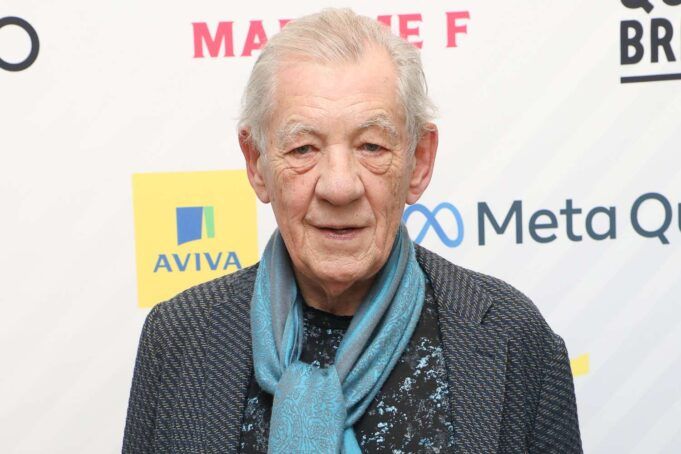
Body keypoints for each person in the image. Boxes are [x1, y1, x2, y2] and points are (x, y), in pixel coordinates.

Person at [123, 8, 582, 453]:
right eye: (303, 148)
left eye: (371, 146)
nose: (339, 187)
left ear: (419, 161)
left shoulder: (512, 337)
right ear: (257, 163)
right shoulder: (178, 339)